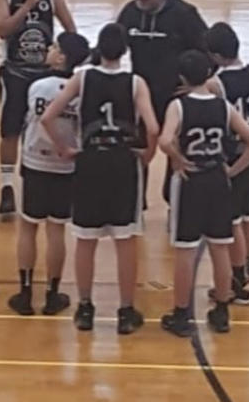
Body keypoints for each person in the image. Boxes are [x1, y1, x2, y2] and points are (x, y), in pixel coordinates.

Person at [41, 23, 159, 335]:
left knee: (86, 239)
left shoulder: (82, 77)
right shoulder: (136, 83)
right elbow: (154, 128)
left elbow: (47, 116)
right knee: (125, 240)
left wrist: (64, 148)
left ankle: (85, 307)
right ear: (125, 51)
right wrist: (147, 156)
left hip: (90, 161)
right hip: (122, 163)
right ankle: (125, 310)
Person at [159, 50, 249, 337]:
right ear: (208, 74)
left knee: (185, 250)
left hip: (191, 181)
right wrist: (232, 170)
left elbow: (165, 140)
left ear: (181, 77)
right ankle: (221, 310)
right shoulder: (223, 106)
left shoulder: (178, 106)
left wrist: (178, 159)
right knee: (220, 247)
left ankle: (181, 314)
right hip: (218, 180)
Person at [8, 32, 90, 316]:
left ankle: (26, 291)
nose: (49, 49)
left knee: (28, 227)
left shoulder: (37, 86)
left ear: (62, 56)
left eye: (55, 46)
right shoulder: (79, 91)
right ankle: (52, 294)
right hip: (65, 165)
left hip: (34, 162)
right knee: (56, 230)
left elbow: (26, 119)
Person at [0, 0, 76, 220]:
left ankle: (43, 176)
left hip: (43, 73)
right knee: (11, 130)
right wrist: (26, 7)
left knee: (44, 125)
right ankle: (7, 187)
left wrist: (62, 56)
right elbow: (3, 29)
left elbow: (71, 32)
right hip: (15, 72)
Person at [205, 22, 249, 299]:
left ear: (215, 56)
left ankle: (240, 279)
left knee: (232, 219)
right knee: (248, 215)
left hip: (233, 155)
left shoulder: (216, 84)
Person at [117, 0, 207, 125]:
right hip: (143, 98)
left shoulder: (184, 14)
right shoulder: (130, 12)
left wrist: (199, 83)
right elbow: (113, 46)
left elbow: (208, 51)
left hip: (176, 99)